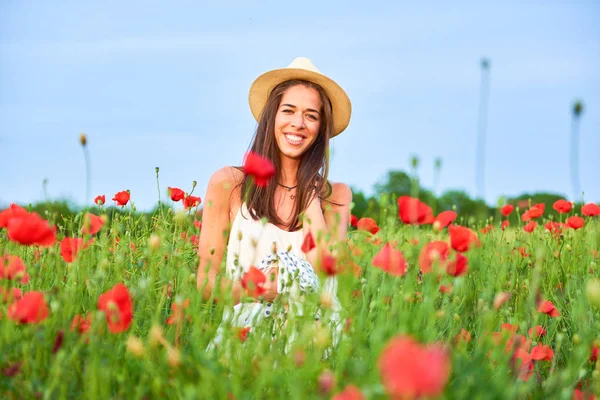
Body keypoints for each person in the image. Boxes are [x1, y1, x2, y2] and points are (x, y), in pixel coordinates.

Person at [197, 57, 353, 352]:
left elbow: (326, 272)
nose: (298, 123)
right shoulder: (230, 184)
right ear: (272, 116)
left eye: (311, 116)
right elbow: (206, 281)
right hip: (245, 341)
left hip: (313, 344)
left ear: (321, 128)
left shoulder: (336, 196)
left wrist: (308, 193)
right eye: (289, 111)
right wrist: (253, 289)